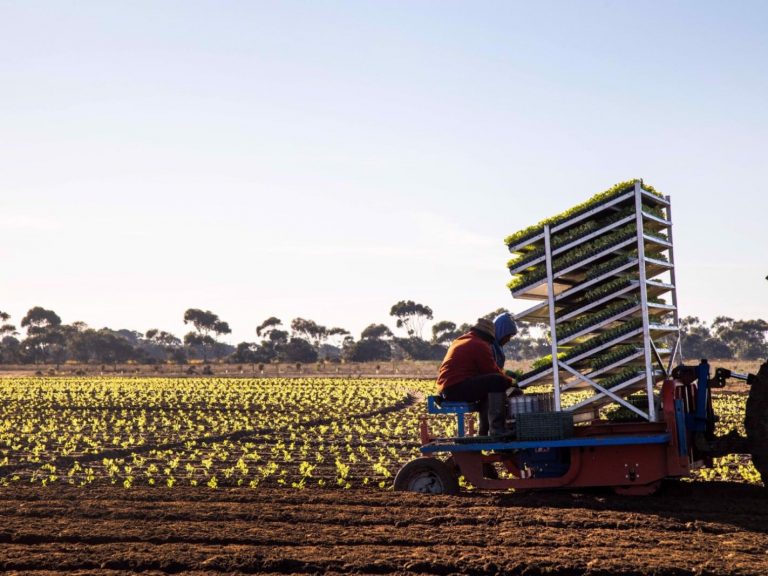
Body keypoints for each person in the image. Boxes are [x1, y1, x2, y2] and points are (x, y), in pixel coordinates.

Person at [437, 317, 521, 437]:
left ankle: (484, 432)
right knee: (497, 381)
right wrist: (511, 381)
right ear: (488, 337)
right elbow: (492, 371)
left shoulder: (463, 339)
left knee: (489, 387)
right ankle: (497, 430)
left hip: (448, 388)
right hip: (455, 388)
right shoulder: (479, 344)